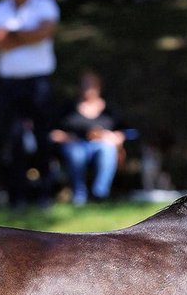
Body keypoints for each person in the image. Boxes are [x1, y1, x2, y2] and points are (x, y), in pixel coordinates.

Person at [0, 0, 60, 207]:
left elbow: (45, 33)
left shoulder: (45, 4)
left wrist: (12, 36)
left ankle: (46, 193)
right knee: (13, 139)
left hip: (38, 82)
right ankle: (19, 195)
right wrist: (29, 34)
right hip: (9, 84)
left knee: (42, 137)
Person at [50, 71, 133, 205]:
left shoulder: (110, 109)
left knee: (107, 150)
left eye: (91, 85)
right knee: (76, 153)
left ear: (99, 87)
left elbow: (129, 132)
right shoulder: (67, 107)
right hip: (76, 145)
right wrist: (67, 137)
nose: (88, 88)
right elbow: (52, 132)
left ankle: (99, 194)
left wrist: (116, 136)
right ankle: (79, 195)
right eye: (84, 85)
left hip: (101, 145)